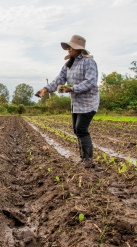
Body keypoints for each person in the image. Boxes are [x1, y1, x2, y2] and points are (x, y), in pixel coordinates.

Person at [36, 35, 99, 168]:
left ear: (78, 48)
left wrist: (72, 88)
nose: (68, 49)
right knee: (77, 130)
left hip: (88, 102)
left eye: (71, 47)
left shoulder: (89, 62)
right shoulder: (68, 64)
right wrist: (45, 89)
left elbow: (91, 82)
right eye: (68, 47)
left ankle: (88, 159)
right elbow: (59, 79)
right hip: (76, 103)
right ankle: (83, 158)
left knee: (82, 129)